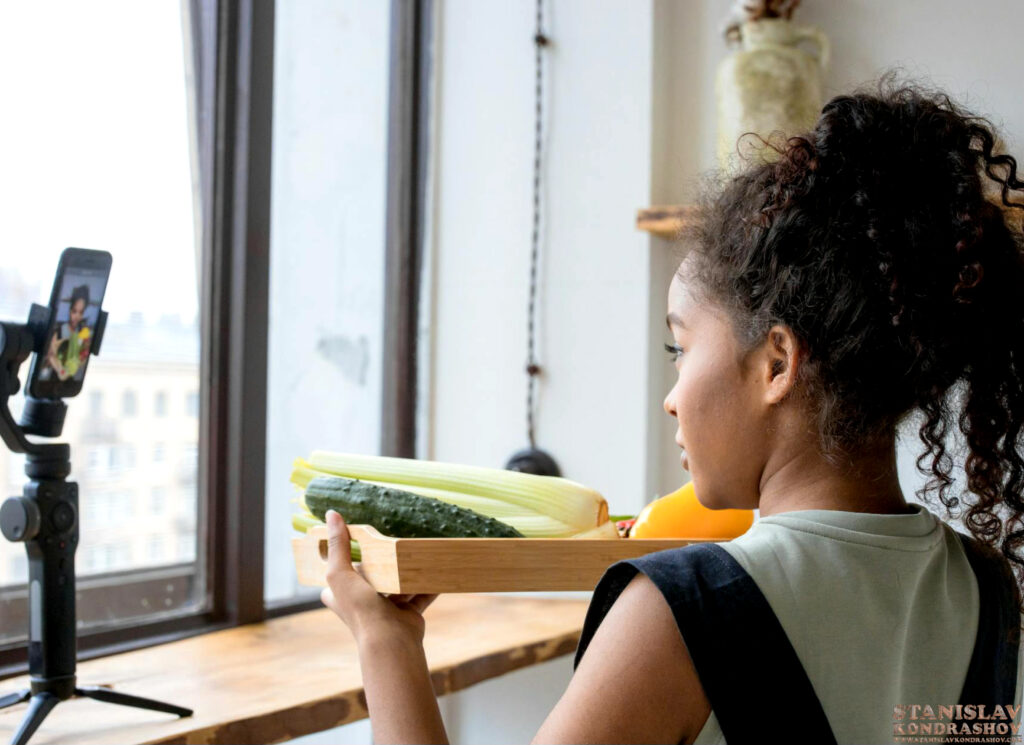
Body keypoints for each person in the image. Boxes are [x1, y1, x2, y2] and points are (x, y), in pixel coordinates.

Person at [318, 75, 1024, 744]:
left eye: (679, 347)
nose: (671, 396)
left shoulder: (681, 613)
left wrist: (386, 642)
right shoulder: (989, 594)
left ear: (776, 363)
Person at [41, 284, 90, 381]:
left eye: (81, 312)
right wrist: (60, 369)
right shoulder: (60, 331)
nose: (76, 316)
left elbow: (83, 357)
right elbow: (50, 355)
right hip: (53, 376)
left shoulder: (83, 333)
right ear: (70, 310)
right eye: (74, 311)